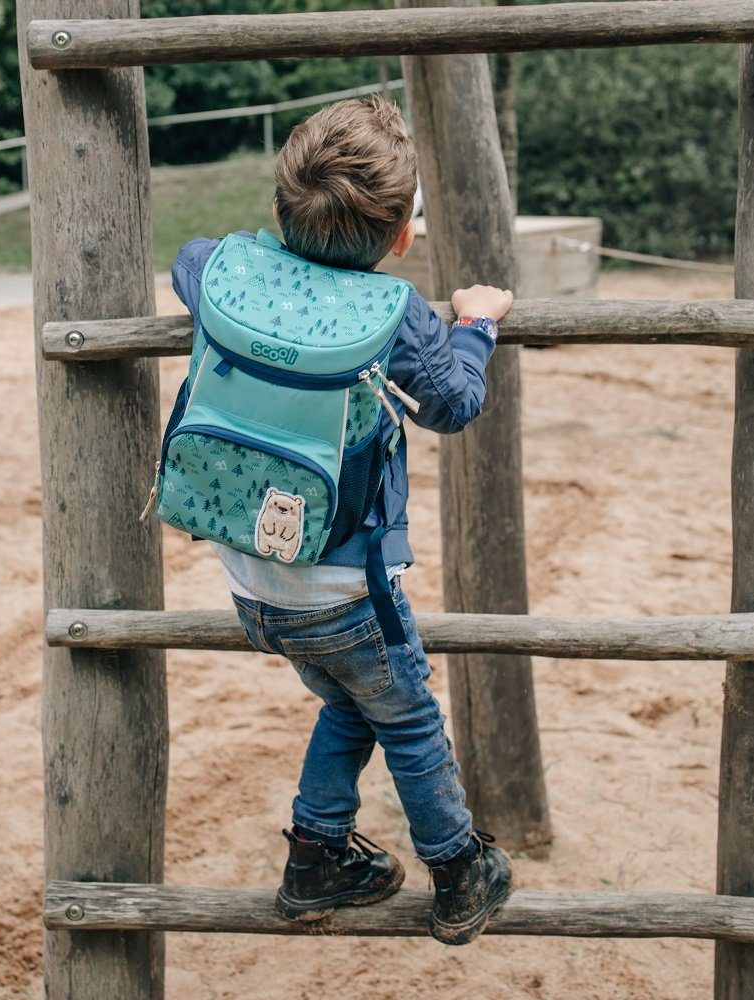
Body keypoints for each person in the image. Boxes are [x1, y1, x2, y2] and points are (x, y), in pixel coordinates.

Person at [169, 94, 514, 946]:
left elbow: (190, 260)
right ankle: (459, 865)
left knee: (356, 705)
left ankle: (317, 856)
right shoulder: (392, 316)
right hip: (347, 585)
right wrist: (474, 324)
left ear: (278, 207)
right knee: (408, 714)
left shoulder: (220, 265)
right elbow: (455, 404)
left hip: (250, 581)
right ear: (403, 237)